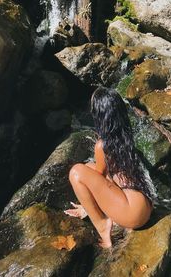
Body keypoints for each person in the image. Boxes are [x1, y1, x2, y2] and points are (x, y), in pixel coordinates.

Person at [64, 87, 157, 248]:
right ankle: (102, 215)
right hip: (145, 207)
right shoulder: (124, 136)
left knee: (77, 172)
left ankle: (102, 226)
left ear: (100, 116)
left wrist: (88, 206)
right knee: (89, 166)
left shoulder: (102, 145)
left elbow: (97, 178)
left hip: (131, 215)